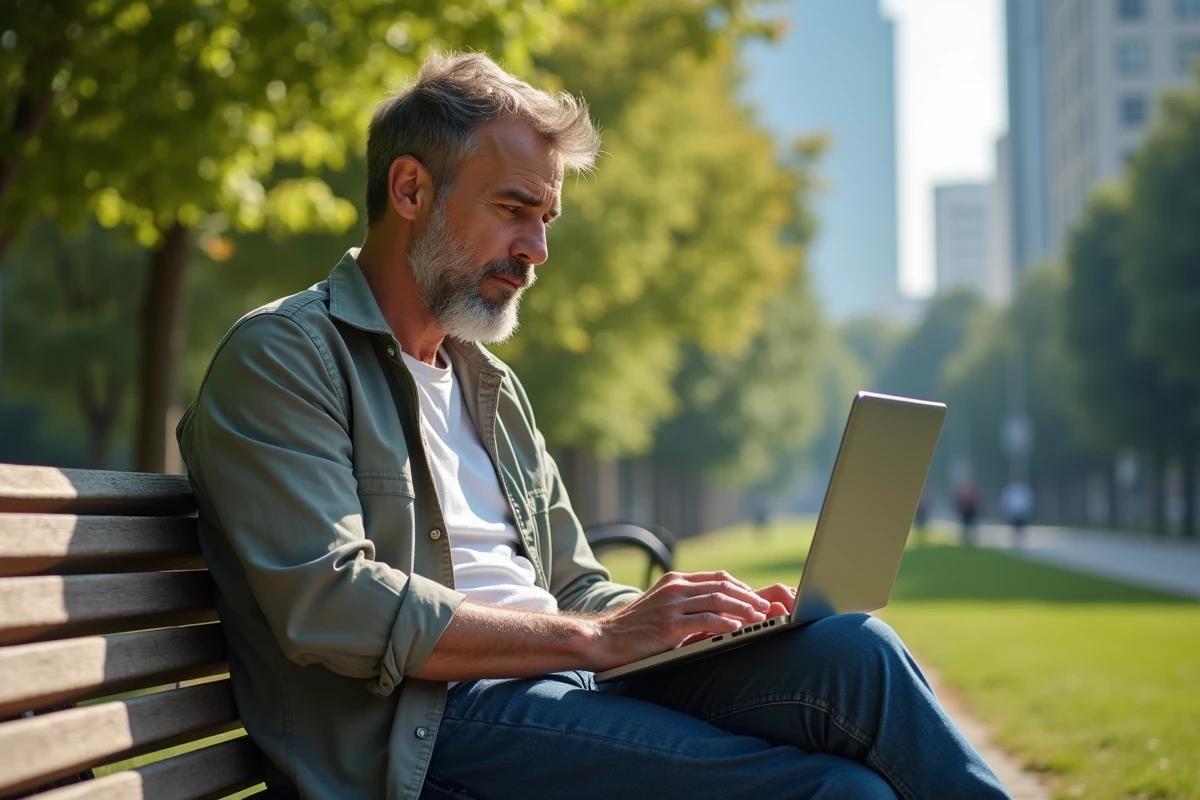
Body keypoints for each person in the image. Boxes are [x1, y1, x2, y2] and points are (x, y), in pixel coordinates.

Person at [177, 52, 1011, 800]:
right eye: (514, 209)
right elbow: (331, 603)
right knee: (839, 795)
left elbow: (574, 585)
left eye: (547, 219)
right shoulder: (285, 356)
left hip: (565, 684)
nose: (537, 248)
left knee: (854, 653)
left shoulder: (489, 384)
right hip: (426, 731)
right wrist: (597, 635)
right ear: (409, 190)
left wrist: (689, 622)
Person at [1000, 480, 1035, 547]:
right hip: (1013, 513)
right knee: (1014, 528)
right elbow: (1006, 501)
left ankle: (1021, 542)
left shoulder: (1025, 491)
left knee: (1021, 528)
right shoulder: (1010, 490)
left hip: (1022, 513)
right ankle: (1015, 542)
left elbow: (1028, 501)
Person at [954, 480, 981, 546]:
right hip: (965, 512)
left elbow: (977, 502)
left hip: (971, 512)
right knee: (964, 527)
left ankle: (972, 540)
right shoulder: (962, 493)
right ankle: (964, 540)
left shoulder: (973, 494)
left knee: (972, 526)